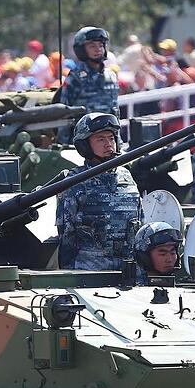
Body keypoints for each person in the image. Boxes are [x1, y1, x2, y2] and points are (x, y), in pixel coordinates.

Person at [56, 112, 142, 270]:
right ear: (85, 145)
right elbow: (67, 236)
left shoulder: (127, 177)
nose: (108, 144)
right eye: (101, 139)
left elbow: (140, 221)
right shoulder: (75, 182)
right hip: (89, 273)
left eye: (111, 138)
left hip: (128, 270)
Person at [56, 27, 119, 143]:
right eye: (92, 46)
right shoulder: (75, 78)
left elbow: (115, 112)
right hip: (83, 141)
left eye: (100, 45)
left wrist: (117, 141)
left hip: (107, 141)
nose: (98, 49)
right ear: (82, 50)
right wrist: (64, 144)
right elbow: (64, 115)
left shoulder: (111, 76)